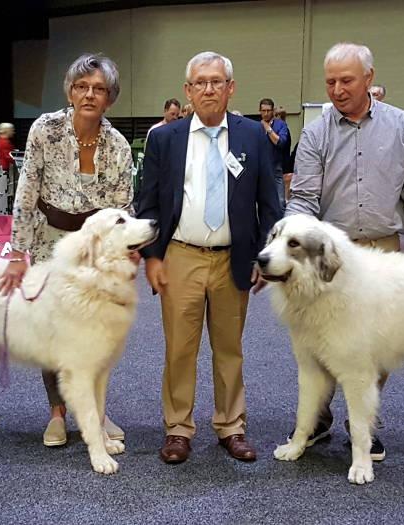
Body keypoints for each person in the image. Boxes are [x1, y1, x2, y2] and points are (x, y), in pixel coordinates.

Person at [286, 42, 404, 461]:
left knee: (376, 344)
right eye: (330, 81)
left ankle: (364, 422)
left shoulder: (401, 125)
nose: (336, 89)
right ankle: (317, 419)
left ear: (369, 78)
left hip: (384, 252)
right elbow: (303, 197)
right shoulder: (316, 131)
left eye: (346, 80)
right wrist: (290, 237)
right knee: (321, 340)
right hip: (331, 258)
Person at [137, 51, 281, 464]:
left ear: (231, 88)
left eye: (217, 81)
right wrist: (152, 257)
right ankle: (178, 428)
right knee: (179, 348)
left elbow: (269, 202)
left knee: (229, 348)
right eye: (200, 82)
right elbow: (148, 203)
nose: (208, 89)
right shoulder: (165, 138)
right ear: (188, 90)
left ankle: (230, 426)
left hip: (234, 258)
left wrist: (265, 257)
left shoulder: (253, 135)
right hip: (180, 255)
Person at [0, 53, 133, 448]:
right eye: (81, 86)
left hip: (96, 252)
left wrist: (123, 258)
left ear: (110, 97)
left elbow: (122, 209)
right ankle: (57, 412)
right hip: (47, 242)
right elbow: (26, 193)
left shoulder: (119, 146)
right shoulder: (45, 129)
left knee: (96, 331)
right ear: (70, 91)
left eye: (99, 89)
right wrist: (15, 252)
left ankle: (95, 410)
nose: (89, 94)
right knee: (55, 331)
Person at [259, 98, 290, 210]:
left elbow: (280, 142)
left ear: (272, 111)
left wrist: (268, 129)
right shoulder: (256, 127)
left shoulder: (280, 125)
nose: (266, 113)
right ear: (260, 111)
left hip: (276, 166)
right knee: (263, 203)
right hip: (261, 168)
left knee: (280, 201)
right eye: (263, 111)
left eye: (268, 110)